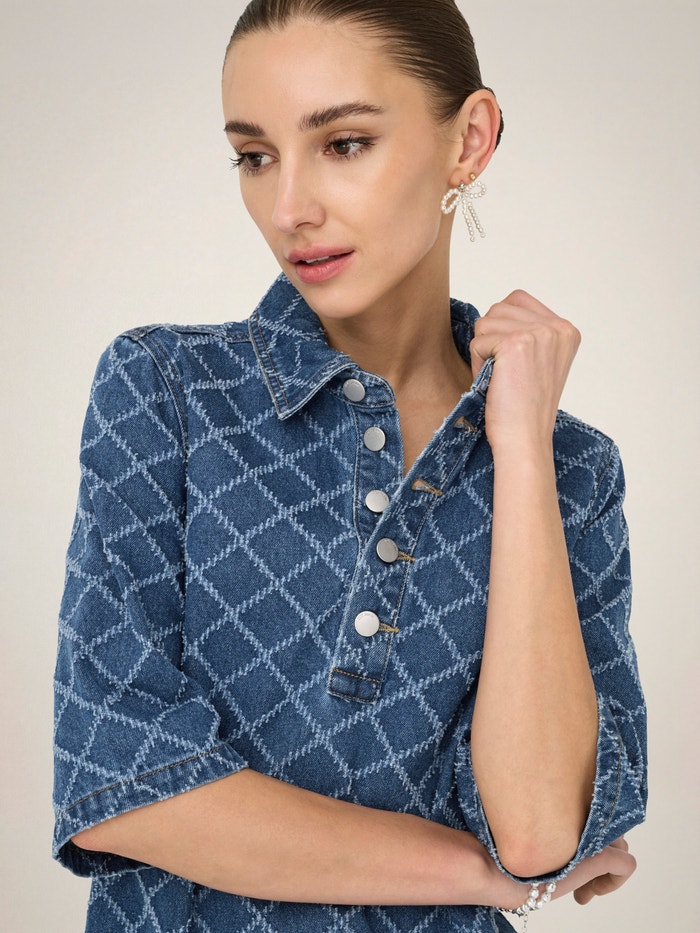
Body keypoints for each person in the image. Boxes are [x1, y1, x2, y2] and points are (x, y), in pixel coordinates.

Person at [52, 1, 647, 930]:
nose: (289, 207)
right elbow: (122, 780)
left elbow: (536, 832)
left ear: (469, 140)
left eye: (344, 143)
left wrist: (523, 452)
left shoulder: (577, 471)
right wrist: (476, 874)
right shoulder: (166, 389)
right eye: (255, 156)